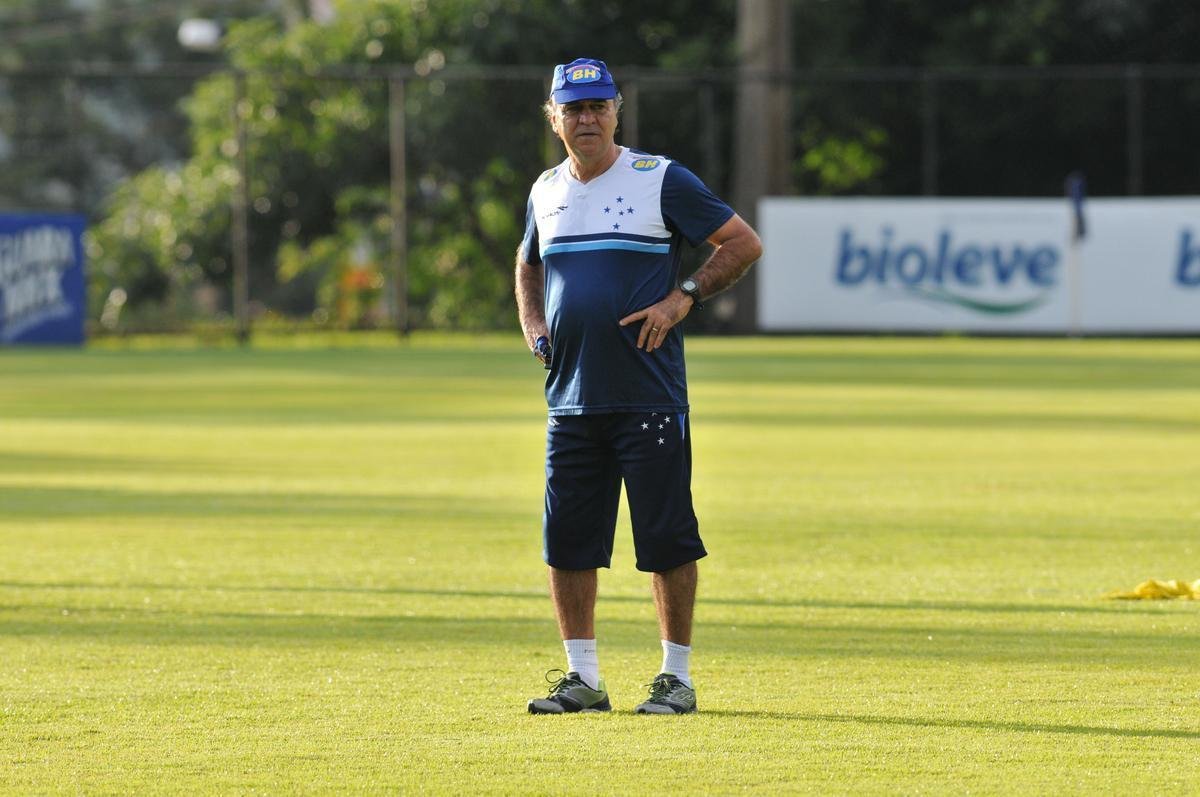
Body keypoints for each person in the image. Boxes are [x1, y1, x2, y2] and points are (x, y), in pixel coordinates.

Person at [514, 57, 762, 715]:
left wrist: (683, 297)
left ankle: (676, 677)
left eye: (598, 107)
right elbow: (528, 263)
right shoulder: (545, 189)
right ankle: (582, 678)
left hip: (648, 397)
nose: (587, 119)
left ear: (616, 113)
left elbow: (741, 242)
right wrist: (534, 324)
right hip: (571, 400)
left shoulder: (659, 179)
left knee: (666, 539)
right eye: (574, 109)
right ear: (554, 118)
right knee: (568, 542)